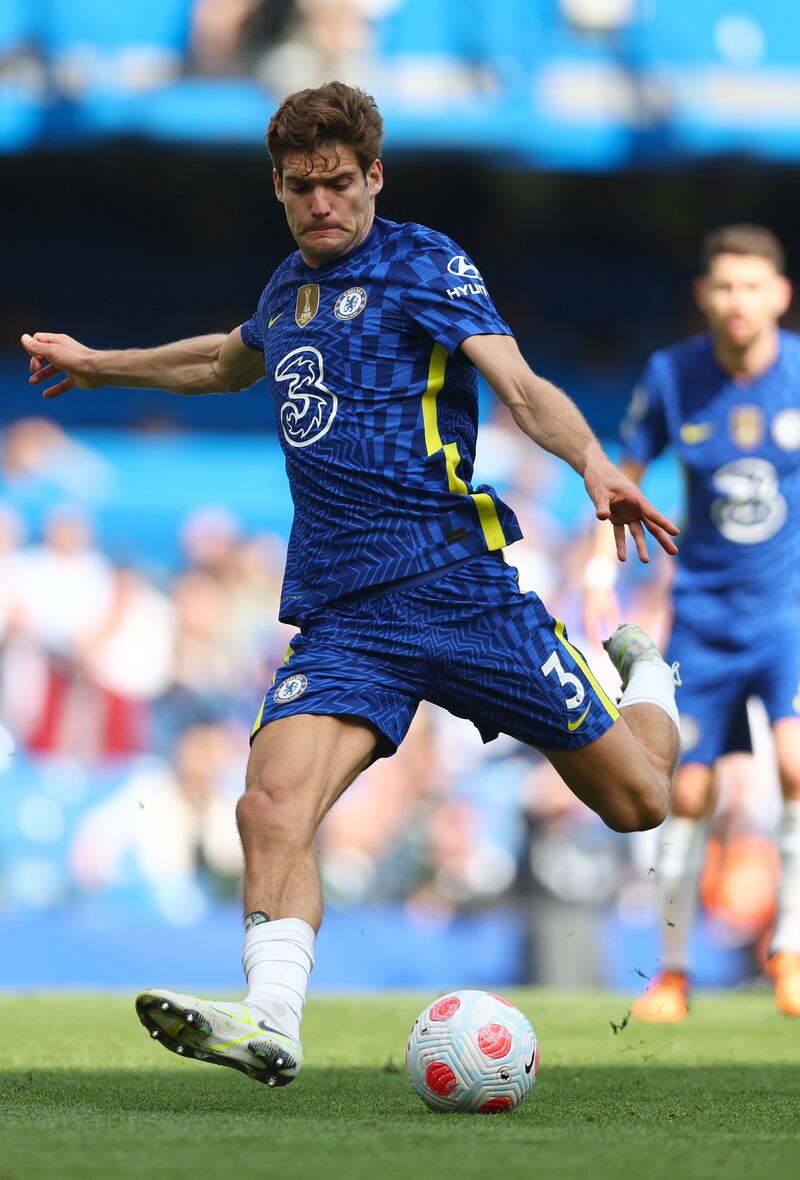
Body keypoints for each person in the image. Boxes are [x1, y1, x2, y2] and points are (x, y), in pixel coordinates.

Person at [22, 81, 681, 1087]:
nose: (321, 204)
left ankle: (648, 683)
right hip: (343, 613)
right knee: (267, 806)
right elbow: (222, 363)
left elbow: (517, 384)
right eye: (300, 189)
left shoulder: (422, 261)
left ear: (372, 177)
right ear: (278, 189)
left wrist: (590, 462)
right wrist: (101, 365)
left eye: (339, 184)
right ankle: (271, 1020)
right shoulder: (286, 289)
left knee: (638, 802)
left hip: (457, 587)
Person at [583, 224, 800, 1020]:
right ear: (704, 297)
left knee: (794, 764)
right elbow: (624, 472)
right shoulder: (674, 375)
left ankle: (791, 949)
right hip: (703, 619)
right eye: (724, 286)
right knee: (690, 789)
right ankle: (672, 973)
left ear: (778, 295)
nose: (738, 301)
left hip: (787, 613)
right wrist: (597, 564)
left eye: (753, 286)